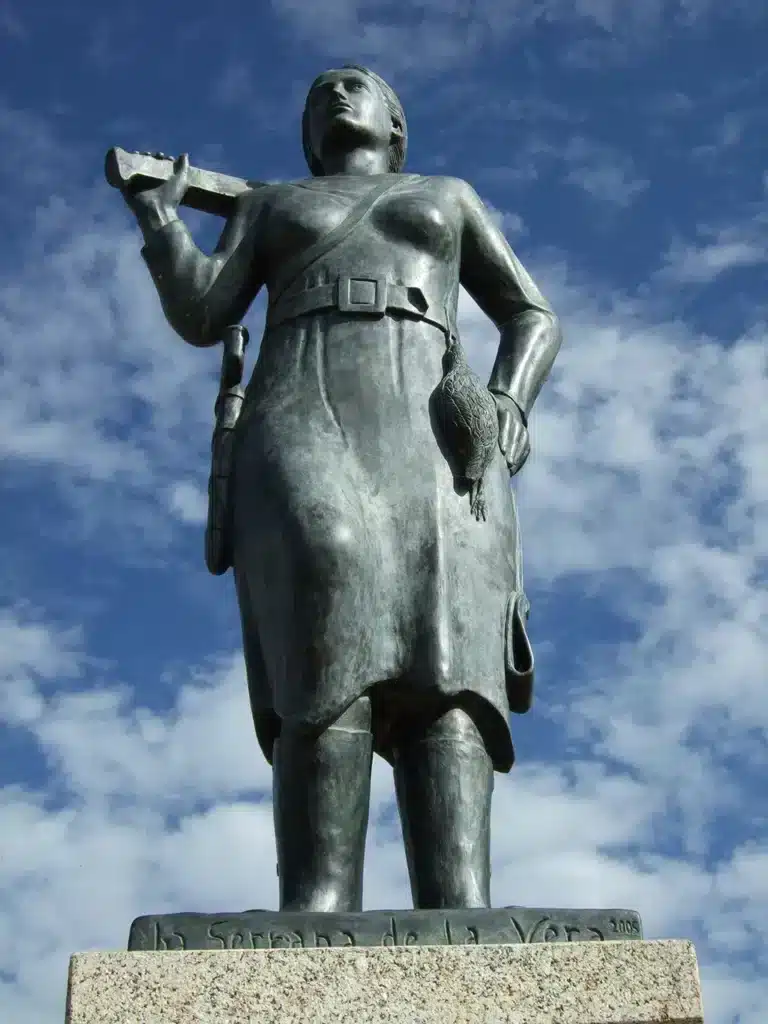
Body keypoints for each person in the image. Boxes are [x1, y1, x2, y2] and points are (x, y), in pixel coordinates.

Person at [120, 64, 561, 913]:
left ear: (397, 127)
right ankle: (317, 897)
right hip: (304, 404)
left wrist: (509, 401)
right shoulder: (272, 205)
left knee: (450, 645)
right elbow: (204, 313)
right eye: (320, 90)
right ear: (306, 132)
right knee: (327, 596)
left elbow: (531, 315)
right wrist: (160, 221)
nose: (336, 92)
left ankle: (458, 900)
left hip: (433, 417)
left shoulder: (446, 195)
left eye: (357, 85)